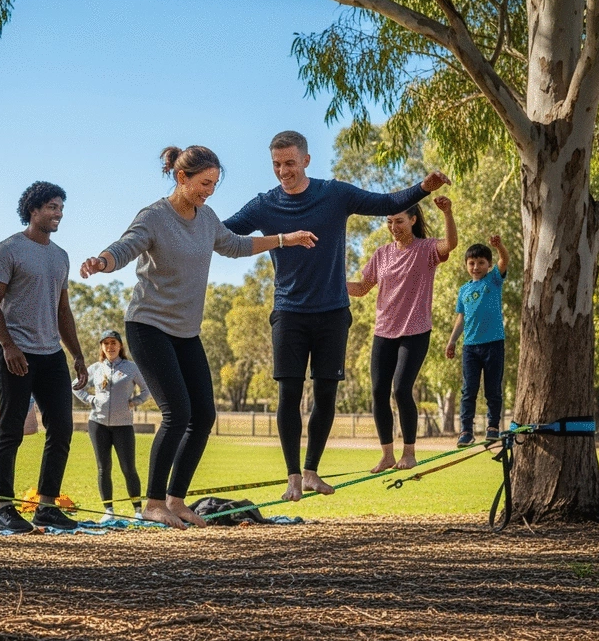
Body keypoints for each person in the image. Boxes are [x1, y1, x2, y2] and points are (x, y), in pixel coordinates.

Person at [80, 145, 318, 530]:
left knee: (203, 415)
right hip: (149, 325)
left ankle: (175, 499)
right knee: (177, 414)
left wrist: (283, 238)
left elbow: (236, 245)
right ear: (181, 177)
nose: (209, 191)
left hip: (186, 332)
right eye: (203, 183)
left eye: (214, 184)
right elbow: (126, 247)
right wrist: (102, 262)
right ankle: (153, 502)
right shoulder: (155, 216)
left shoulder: (206, 219)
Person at [223, 130, 451, 500]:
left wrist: (423, 187)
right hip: (289, 312)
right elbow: (222, 235)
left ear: (306, 161)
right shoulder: (265, 206)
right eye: (277, 164)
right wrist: (184, 209)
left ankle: (312, 471)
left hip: (332, 313)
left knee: (326, 395)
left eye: (290, 163)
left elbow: (386, 201)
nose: (284, 171)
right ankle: (293, 477)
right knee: (289, 394)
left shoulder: (334, 194)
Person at [0, 181, 88, 533]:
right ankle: (4, 508)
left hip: (51, 354)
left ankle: (46, 506)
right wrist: (9, 346)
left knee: (61, 426)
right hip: (16, 353)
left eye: (61, 207)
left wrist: (77, 355)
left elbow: (63, 310)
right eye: (52, 207)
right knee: (11, 429)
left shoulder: (60, 256)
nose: (58, 213)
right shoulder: (8, 249)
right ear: (33, 210)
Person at [347, 197, 458, 472]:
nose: (393, 226)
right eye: (389, 222)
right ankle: (387, 454)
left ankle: (409, 453)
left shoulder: (426, 249)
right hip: (384, 331)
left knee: (401, 388)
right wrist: (332, 282)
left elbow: (450, 244)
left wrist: (447, 213)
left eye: (399, 221)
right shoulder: (381, 254)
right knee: (378, 391)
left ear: (413, 220)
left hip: (415, 330)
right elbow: (362, 288)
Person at [72, 329, 151, 522]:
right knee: (103, 467)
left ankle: (138, 511)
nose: (110, 347)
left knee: (128, 468)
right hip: (98, 424)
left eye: (113, 343)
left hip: (123, 425)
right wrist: (91, 399)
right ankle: (108, 510)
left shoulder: (131, 368)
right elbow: (75, 385)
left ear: (120, 346)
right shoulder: (95, 368)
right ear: (101, 347)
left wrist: (134, 402)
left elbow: (147, 389)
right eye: (106, 343)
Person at [445, 235, 509, 446]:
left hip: (494, 344)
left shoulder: (493, 279)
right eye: (472, 263)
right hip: (470, 347)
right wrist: (452, 341)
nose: (476, 266)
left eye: (481, 262)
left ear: (488, 265)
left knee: (492, 389)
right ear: (466, 265)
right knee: (468, 390)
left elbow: (504, 261)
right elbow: (461, 318)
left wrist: (499, 246)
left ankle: (493, 427)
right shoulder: (464, 290)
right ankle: (466, 431)